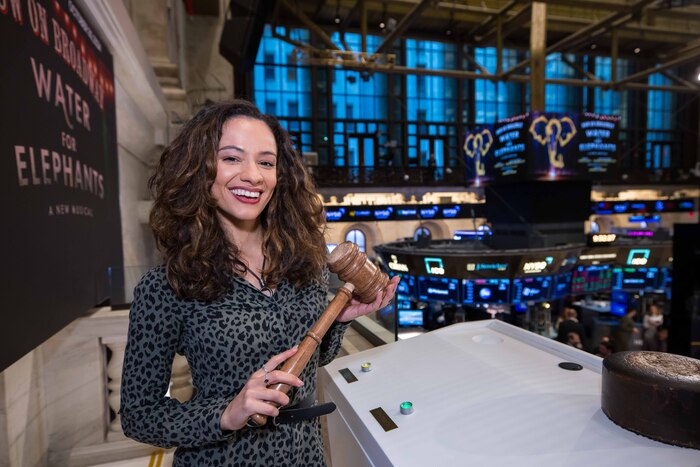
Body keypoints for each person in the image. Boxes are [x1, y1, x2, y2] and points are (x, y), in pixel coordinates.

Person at [119, 100, 399, 466]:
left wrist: (339, 320)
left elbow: (309, 363)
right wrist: (226, 413)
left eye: (266, 162)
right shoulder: (168, 285)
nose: (253, 175)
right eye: (231, 158)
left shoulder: (305, 263)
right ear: (199, 169)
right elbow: (139, 415)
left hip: (305, 456)